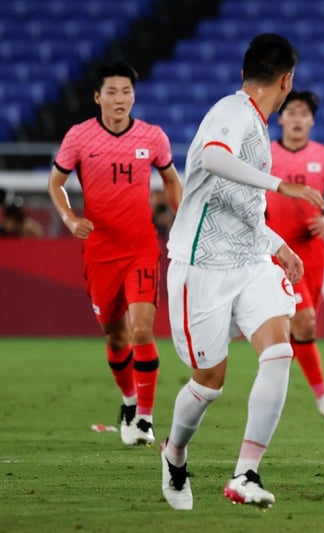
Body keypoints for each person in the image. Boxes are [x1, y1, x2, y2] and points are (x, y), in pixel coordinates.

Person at [160, 33, 324, 511]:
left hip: (249, 263)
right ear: (287, 80)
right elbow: (213, 157)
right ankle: (174, 454)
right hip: (201, 269)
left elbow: (241, 203)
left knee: (278, 351)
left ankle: (245, 474)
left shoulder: (254, 121)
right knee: (209, 381)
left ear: (244, 72)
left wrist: (278, 244)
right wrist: (283, 186)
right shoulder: (231, 113)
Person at [48, 61, 182, 446]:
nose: (120, 98)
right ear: (97, 97)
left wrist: (183, 219)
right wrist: (70, 219)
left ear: (134, 96)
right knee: (116, 336)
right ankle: (128, 400)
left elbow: (171, 179)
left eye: (126, 92)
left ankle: (144, 417)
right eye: (112, 92)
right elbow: (55, 183)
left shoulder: (153, 137)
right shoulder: (79, 137)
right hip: (100, 251)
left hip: (141, 247)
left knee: (142, 329)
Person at [266, 90, 324, 423]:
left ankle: (274, 391)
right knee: (305, 321)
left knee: (300, 326)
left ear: (312, 120)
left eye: (304, 113)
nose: (298, 118)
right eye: (292, 112)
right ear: (281, 117)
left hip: (312, 251)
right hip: (275, 250)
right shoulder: (266, 153)